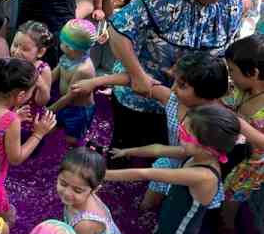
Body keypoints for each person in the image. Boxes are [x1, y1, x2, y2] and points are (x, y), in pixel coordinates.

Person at [107, 0, 247, 152]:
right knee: (124, 151)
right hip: (142, 95)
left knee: (168, 158)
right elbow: (118, 30)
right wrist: (137, 75)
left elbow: (225, 53)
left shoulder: (232, 3)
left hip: (189, 107)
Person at [73, 51, 230, 212]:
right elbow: (132, 79)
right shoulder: (173, 100)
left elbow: (153, 165)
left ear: (207, 94)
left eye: (182, 85)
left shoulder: (216, 122)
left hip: (195, 173)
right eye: (175, 81)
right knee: (147, 206)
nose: (174, 88)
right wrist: (93, 82)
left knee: (178, 210)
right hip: (171, 160)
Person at [107, 104, 239, 234]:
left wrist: (101, 176)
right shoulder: (196, 154)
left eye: (185, 134)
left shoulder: (204, 176)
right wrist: (127, 151)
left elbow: (145, 173)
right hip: (170, 221)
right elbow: (159, 149)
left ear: (207, 147)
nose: (179, 134)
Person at [0, 59, 57, 222]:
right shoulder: (10, 120)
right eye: (32, 91)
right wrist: (39, 133)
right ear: (21, 96)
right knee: (8, 219)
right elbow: (15, 158)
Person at [221, 35, 264, 233]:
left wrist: (241, 125)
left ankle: (227, 228)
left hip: (250, 167)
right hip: (234, 152)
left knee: (233, 199)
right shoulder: (242, 89)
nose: (230, 75)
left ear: (253, 73)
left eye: (232, 71)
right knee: (223, 189)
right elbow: (226, 103)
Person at [50, 19, 97, 146]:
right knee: (53, 125)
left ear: (70, 48)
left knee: (72, 139)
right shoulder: (66, 57)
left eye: (62, 43)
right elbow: (53, 74)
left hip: (78, 110)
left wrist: (50, 109)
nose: (60, 45)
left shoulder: (83, 70)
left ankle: (74, 155)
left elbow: (70, 97)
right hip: (63, 102)